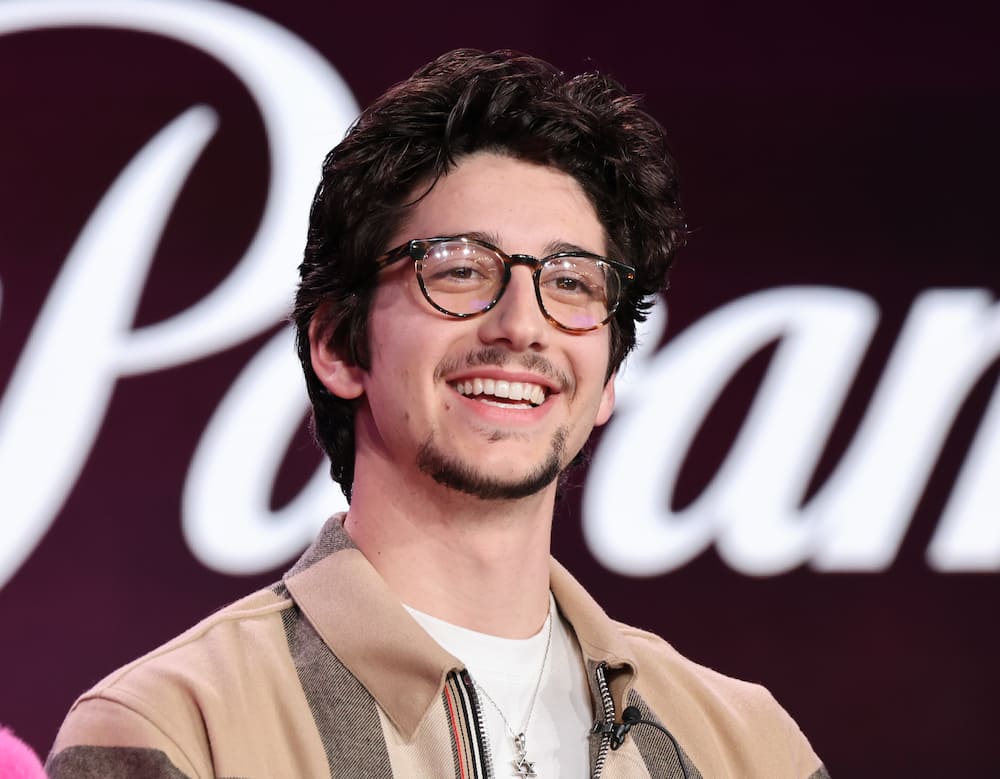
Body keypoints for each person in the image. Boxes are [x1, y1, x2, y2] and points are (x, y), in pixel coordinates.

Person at [48, 49, 828, 778]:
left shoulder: (747, 745)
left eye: (571, 282)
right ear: (338, 347)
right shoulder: (176, 725)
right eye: (458, 270)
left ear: (609, 376)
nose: (522, 324)